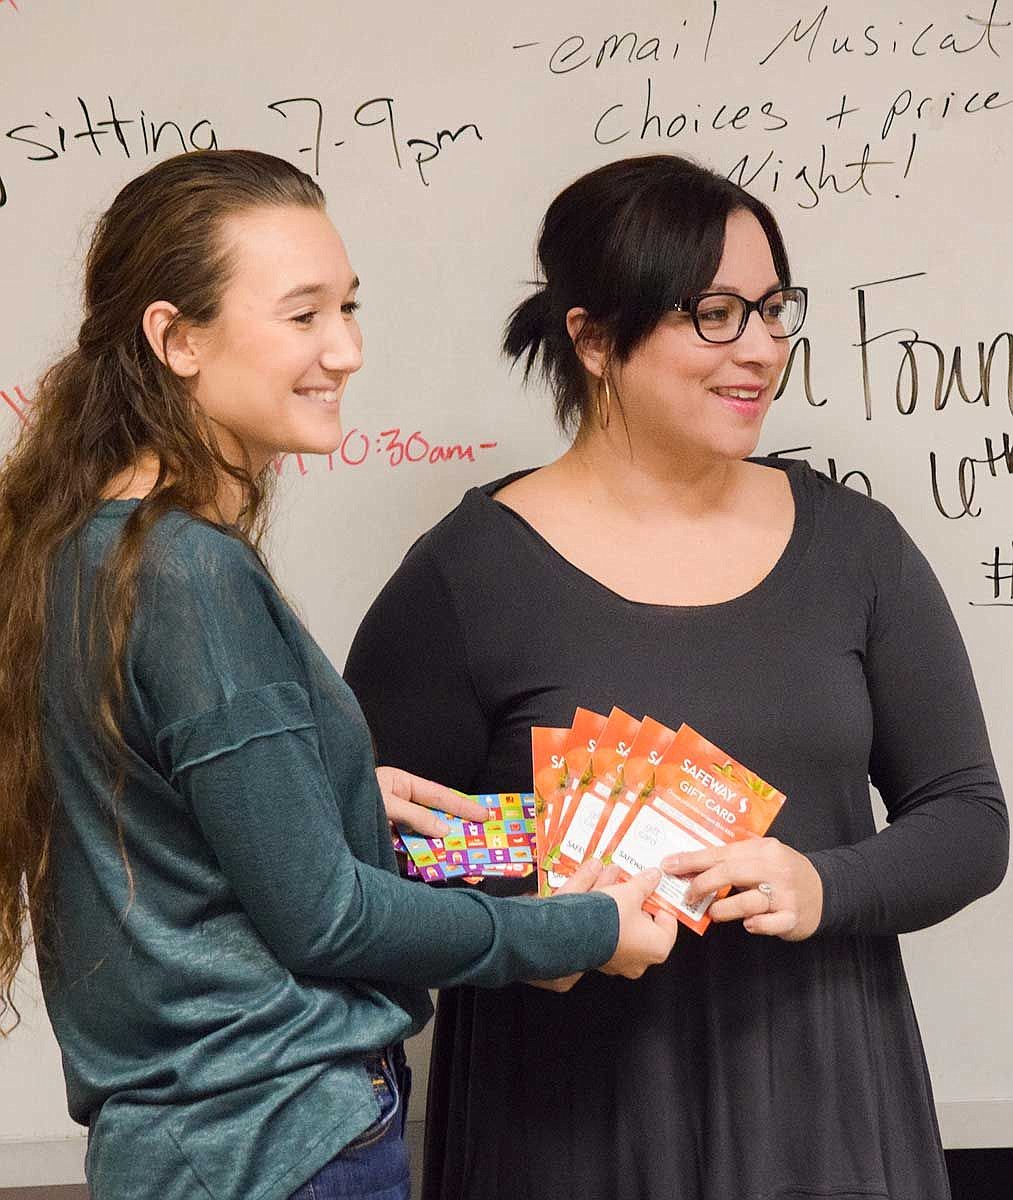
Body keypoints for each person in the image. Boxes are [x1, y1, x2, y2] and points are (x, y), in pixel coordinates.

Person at [0, 149, 680, 1200]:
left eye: (348, 308)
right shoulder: (185, 570)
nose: (347, 350)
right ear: (174, 337)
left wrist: (324, 794)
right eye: (303, 315)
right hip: (279, 1147)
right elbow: (322, 918)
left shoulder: (90, 549)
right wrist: (580, 925)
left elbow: (166, 827)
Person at [344, 154, 1010, 1200]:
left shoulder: (853, 546)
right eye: (712, 314)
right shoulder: (466, 574)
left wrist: (823, 882)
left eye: (771, 309)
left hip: (824, 1104)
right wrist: (544, 892)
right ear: (594, 338)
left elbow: (968, 818)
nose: (759, 348)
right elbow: (368, 855)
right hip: (563, 1121)